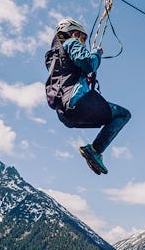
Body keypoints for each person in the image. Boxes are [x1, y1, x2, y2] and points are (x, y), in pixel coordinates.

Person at [45, 18, 131, 175]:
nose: (83, 43)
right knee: (123, 114)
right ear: (73, 32)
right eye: (83, 38)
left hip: (64, 113)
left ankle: (94, 151)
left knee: (115, 114)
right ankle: (95, 150)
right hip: (76, 103)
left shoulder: (52, 56)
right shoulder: (71, 43)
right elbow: (88, 63)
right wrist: (96, 53)